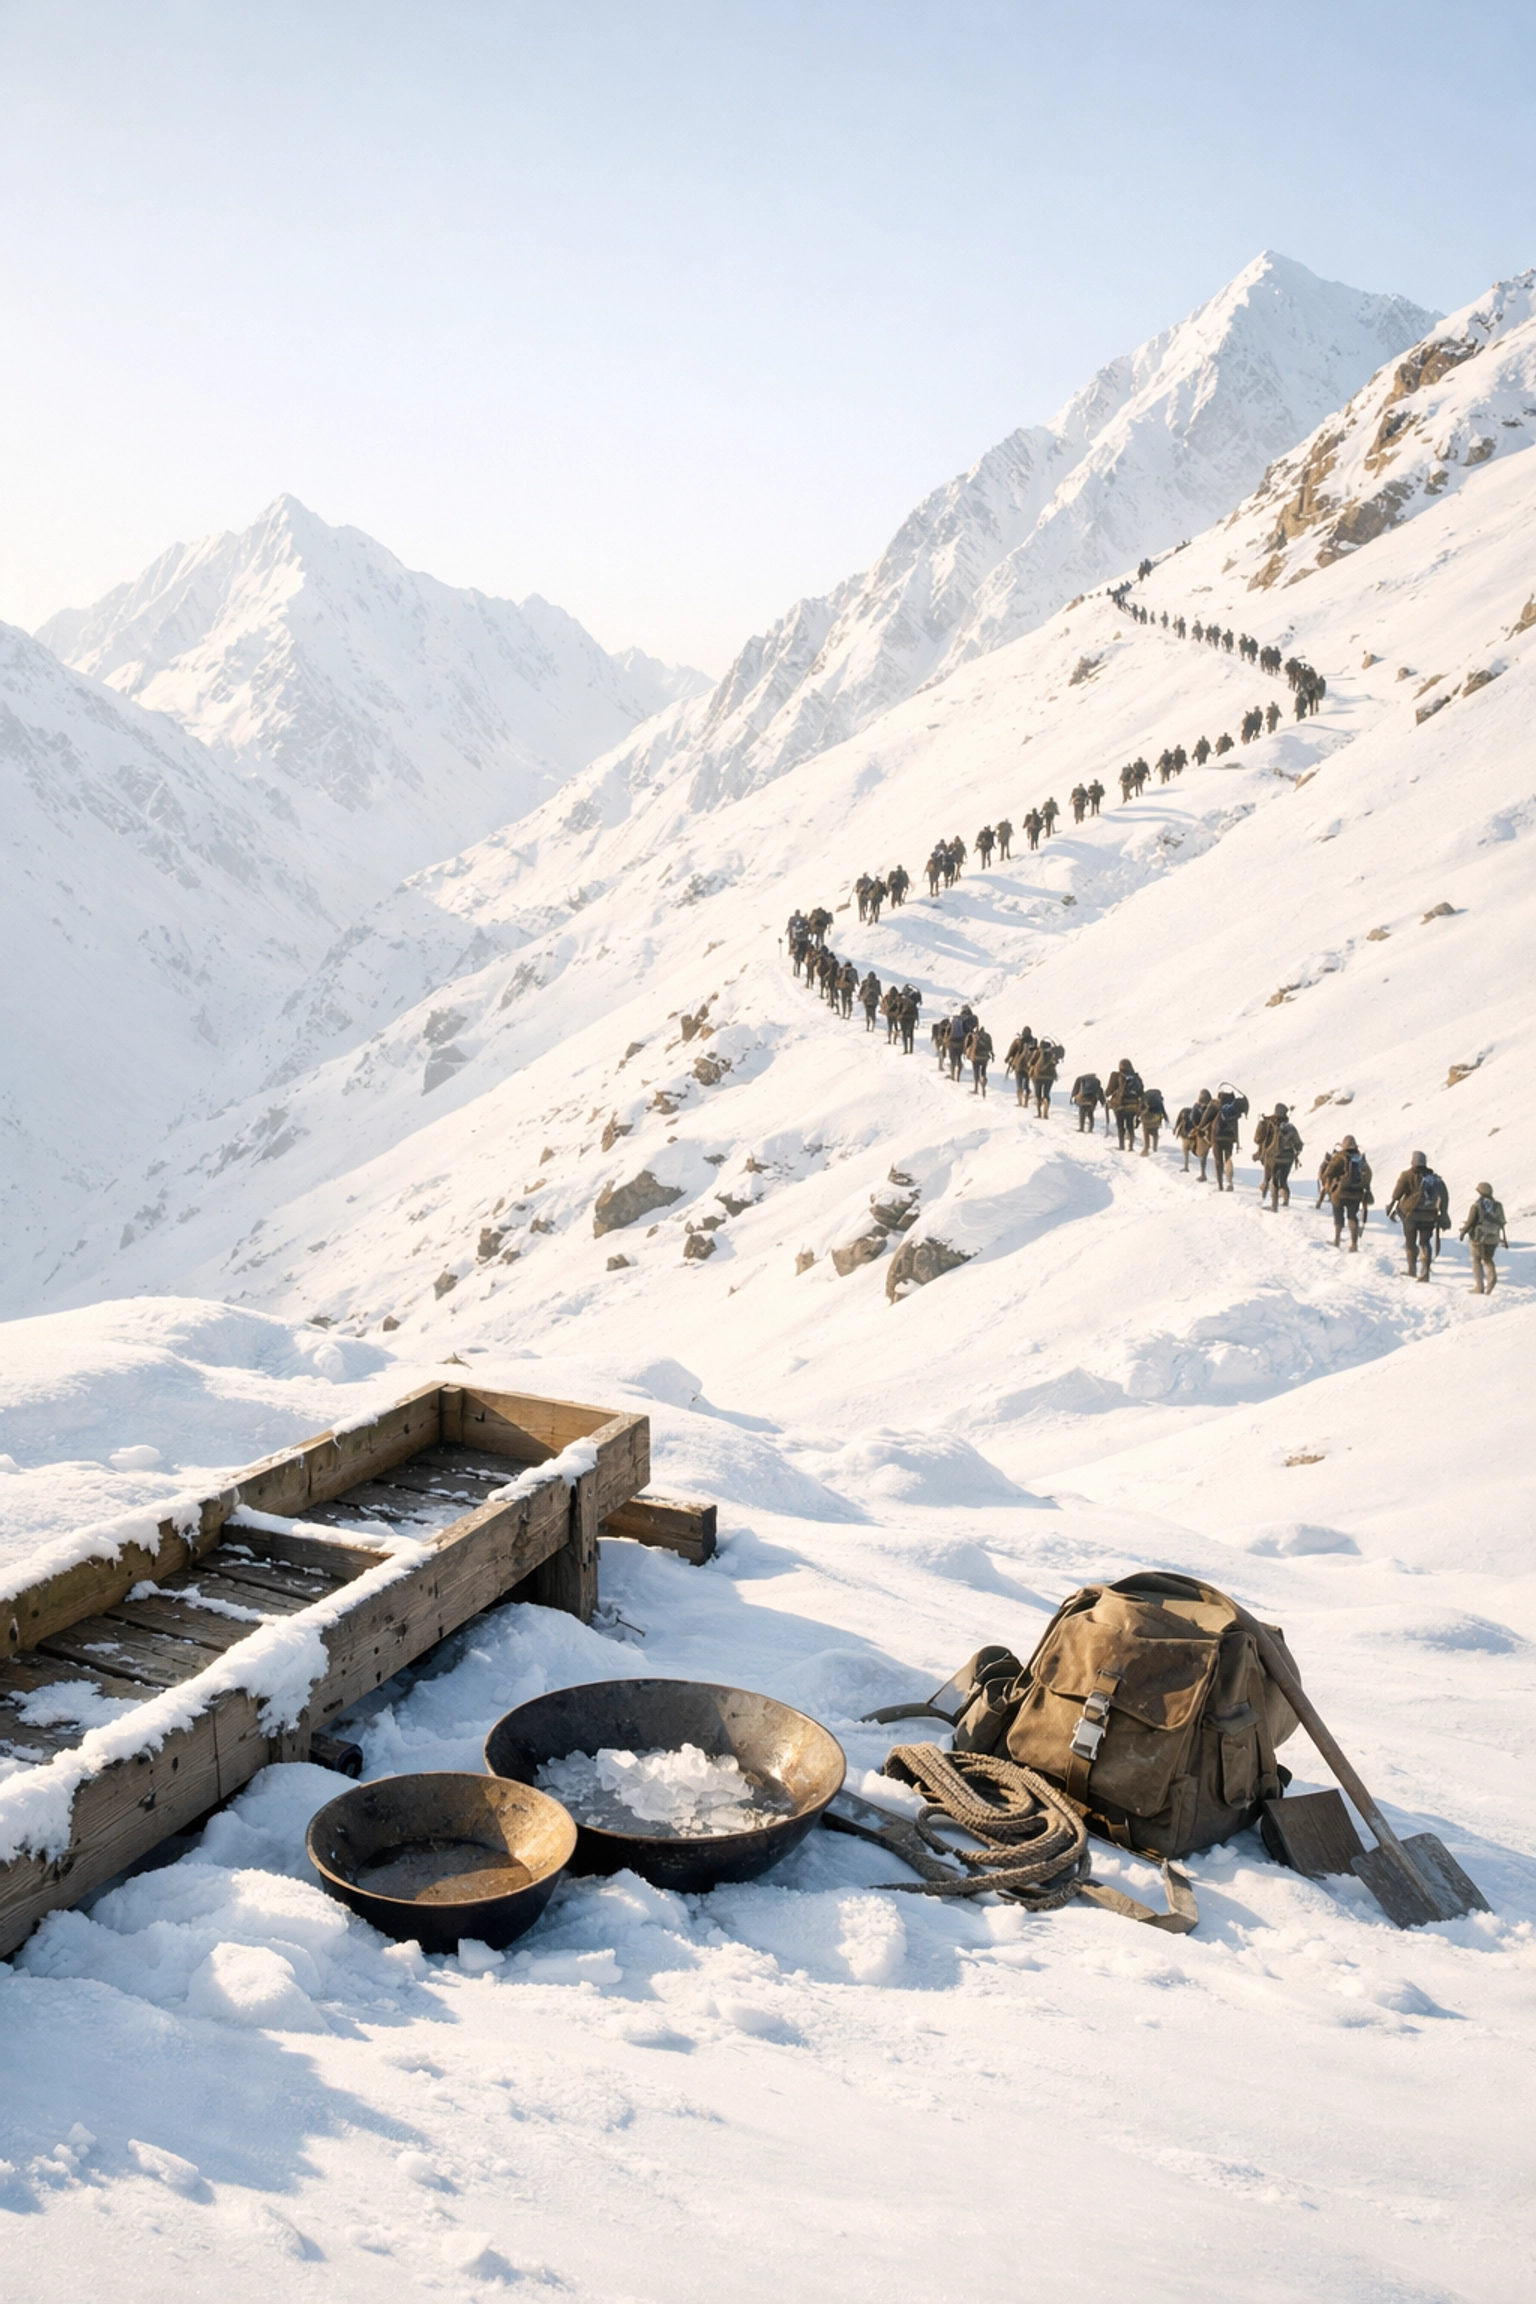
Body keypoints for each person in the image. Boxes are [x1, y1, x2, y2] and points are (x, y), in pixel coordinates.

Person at [1386, 1150, 1448, 1281]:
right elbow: (1444, 1197)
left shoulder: (1406, 1175)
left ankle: (1412, 1270)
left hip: (1411, 1214)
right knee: (1425, 1242)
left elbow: (1397, 1194)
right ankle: (1425, 1273)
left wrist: (1392, 1204)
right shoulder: (1435, 1179)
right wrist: (1443, 1213)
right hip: (1430, 1215)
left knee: (1410, 1242)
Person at [1319, 1136, 1372, 1250]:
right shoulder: (1360, 1159)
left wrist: (1330, 1185)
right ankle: (1354, 1244)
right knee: (1352, 1217)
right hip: (1356, 1193)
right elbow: (1368, 1175)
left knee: (1338, 1214)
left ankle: (1337, 1240)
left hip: (1339, 1193)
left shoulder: (1339, 1157)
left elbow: (1328, 1174)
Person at [1458, 1181, 1507, 1294]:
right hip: (1493, 1238)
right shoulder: (1498, 1206)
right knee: (1488, 1259)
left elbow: (1471, 1222)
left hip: (1479, 1238)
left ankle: (1479, 1287)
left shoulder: (1476, 1206)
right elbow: (1502, 1222)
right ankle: (1492, 1278)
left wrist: (1463, 1232)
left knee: (1476, 1260)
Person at [1203, 1084, 1249, 1192]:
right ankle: (1229, 1182)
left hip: (1217, 1137)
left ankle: (1220, 1186)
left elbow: (1206, 1119)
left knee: (1218, 1161)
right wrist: (1237, 1141)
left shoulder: (1215, 1104)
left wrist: (1199, 1128)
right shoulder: (1234, 1109)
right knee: (1228, 1158)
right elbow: (1236, 1126)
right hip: (1229, 1137)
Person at [1258, 1104, 1304, 1209]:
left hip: (1271, 1157)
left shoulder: (1269, 1124)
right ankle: (1286, 1203)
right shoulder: (1291, 1128)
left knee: (1268, 1179)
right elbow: (1299, 1145)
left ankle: (1266, 1201)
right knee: (1283, 1181)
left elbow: (1257, 1139)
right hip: (1288, 1159)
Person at [1105, 1058, 1144, 1151]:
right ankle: (1130, 1146)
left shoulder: (1116, 1075)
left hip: (1120, 1105)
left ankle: (1121, 1146)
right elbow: (1141, 1091)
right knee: (1130, 1125)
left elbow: (1108, 1091)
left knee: (1120, 1125)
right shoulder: (1136, 1076)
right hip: (1133, 1105)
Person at [1175, 1091, 1212, 1175]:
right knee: (1201, 1152)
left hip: (1195, 1132)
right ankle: (1189, 1167)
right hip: (1196, 1132)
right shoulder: (1203, 1109)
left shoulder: (1198, 1108)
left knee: (1190, 1149)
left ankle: (1187, 1166)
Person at [965, 1023, 994, 1097]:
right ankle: (983, 1084)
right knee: (983, 1072)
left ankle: (976, 1089)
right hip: (985, 1057)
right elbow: (990, 1048)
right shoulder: (988, 1036)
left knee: (976, 1071)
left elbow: (967, 1045)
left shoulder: (974, 1035)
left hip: (976, 1057)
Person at [1140, 1086, 1168, 1155]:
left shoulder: (1144, 1098)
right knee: (1155, 1133)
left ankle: (1146, 1148)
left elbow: (1140, 1109)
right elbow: (1163, 1111)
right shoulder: (1159, 1100)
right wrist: (1165, 1118)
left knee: (1146, 1131)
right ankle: (1155, 1148)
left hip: (1147, 1119)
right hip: (1156, 1119)